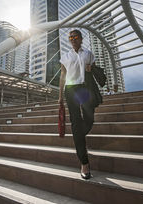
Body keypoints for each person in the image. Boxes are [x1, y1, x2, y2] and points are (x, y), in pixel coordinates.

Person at [58, 29, 95, 180]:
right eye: (70, 37)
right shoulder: (65, 56)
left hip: (85, 88)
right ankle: (84, 162)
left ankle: (79, 137)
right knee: (75, 122)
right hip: (70, 89)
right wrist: (60, 96)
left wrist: (90, 69)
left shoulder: (89, 54)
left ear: (81, 38)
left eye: (75, 37)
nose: (72, 39)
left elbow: (93, 71)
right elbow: (62, 76)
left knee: (89, 118)